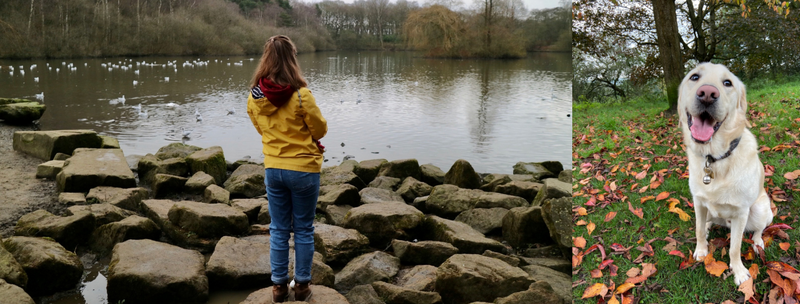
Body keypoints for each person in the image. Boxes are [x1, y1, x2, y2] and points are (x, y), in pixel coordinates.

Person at [246, 35, 327, 302]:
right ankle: (301, 286)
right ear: (292, 59)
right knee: (303, 229)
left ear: (266, 59)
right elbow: (320, 129)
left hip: (273, 168)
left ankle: (279, 287)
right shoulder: (302, 95)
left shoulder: (254, 96)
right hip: (303, 169)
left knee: (279, 229)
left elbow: (260, 128)